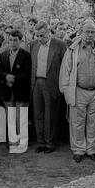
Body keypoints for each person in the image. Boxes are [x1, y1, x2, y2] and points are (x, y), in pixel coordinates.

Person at [59, 21, 95, 163]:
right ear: (81, 32)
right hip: (78, 90)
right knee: (77, 122)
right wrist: (65, 89)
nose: (90, 35)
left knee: (94, 122)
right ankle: (78, 149)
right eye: (87, 32)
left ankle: (91, 149)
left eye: (92, 32)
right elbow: (66, 70)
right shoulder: (73, 49)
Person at [28, 21, 67, 154]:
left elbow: (66, 66)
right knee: (38, 114)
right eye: (37, 36)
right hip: (36, 83)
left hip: (52, 83)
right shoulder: (33, 45)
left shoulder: (60, 45)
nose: (40, 39)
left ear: (49, 32)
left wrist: (62, 85)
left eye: (42, 35)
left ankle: (50, 143)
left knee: (50, 115)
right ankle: (40, 143)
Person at [0, 30, 31, 153]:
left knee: (20, 117)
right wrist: (6, 77)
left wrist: (14, 79)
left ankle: (22, 142)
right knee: (10, 116)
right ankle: (12, 141)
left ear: (20, 41)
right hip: (7, 90)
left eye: (15, 40)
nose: (12, 42)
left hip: (20, 90)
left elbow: (27, 73)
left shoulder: (26, 55)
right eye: (10, 40)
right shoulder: (3, 55)